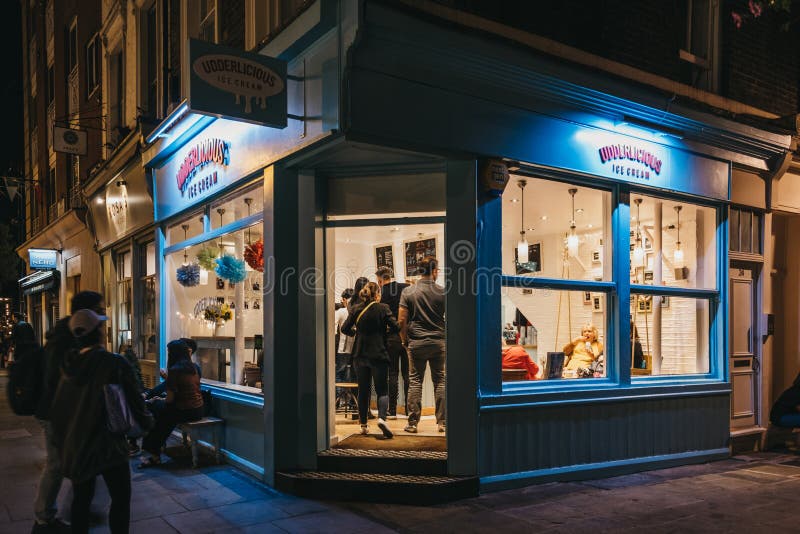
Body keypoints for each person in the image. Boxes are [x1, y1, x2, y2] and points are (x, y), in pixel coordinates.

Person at [50, 308, 153, 534]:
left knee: (81, 501)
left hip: (78, 445)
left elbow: (58, 411)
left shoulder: (68, 366)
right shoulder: (113, 363)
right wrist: (146, 424)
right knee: (120, 499)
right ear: (97, 332)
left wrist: (62, 444)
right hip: (109, 445)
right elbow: (135, 400)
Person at [33, 291, 107, 531]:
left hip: (61, 410)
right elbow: (59, 379)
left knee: (73, 461)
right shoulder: (67, 338)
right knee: (57, 463)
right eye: (99, 308)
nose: (103, 312)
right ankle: (45, 516)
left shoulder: (68, 333)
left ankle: (76, 510)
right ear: (86, 312)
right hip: (55, 411)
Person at [341, 282, 398, 439]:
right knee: (382, 390)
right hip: (378, 353)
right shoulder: (383, 308)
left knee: (363, 391)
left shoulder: (356, 309)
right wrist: (384, 331)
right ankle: (381, 418)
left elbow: (344, 328)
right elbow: (396, 327)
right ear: (377, 294)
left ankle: (363, 425)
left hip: (360, 355)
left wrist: (357, 333)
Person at [399, 257, 446, 434]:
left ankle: (412, 424)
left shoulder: (408, 292)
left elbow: (401, 320)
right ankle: (443, 422)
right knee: (440, 380)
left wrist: (404, 340)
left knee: (415, 381)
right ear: (434, 271)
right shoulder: (443, 292)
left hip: (416, 342)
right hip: (438, 342)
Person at [139, 340, 204, 468]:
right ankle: (153, 452)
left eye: (169, 352)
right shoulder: (195, 367)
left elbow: (169, 400)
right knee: (162, 417)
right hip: (199, 409)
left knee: (154, 409)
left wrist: (158, 400)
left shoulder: (175, 370)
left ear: (174, 354)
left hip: (183, 410)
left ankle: (152, 452)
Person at [376, 266, 410, 419]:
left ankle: (393, 410)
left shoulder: (381, 294)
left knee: (393, 374)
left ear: (380, 279)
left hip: (391, 337)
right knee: (408, 375)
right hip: (407, 335)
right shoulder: (405, 287)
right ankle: (410, 409)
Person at [334, 289, 356, 412]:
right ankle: (352, 401)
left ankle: (339, 401)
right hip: (355, 347)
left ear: (344, 299)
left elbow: (333, 327)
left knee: (339, 374)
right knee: (353, 374)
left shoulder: (341, 311)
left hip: (342, 347)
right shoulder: (356, 310)